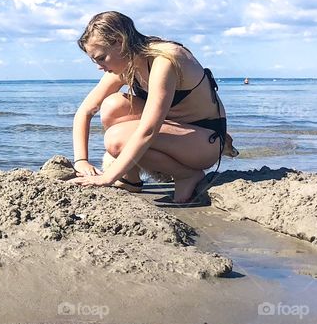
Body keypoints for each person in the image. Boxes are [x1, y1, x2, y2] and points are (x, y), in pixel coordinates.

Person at [71, 11, 232, 203]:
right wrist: (81, 161)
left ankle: (186, 175)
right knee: (112, 106)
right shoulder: (128, 61)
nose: (98, 66)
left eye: (101, 58)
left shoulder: (164, 60)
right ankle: (131, 179)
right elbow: (85, 111)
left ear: (119, 42)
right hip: (175, 132)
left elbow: (148, 130)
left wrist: (107, 177)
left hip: (205, 142)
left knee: (116, 140)